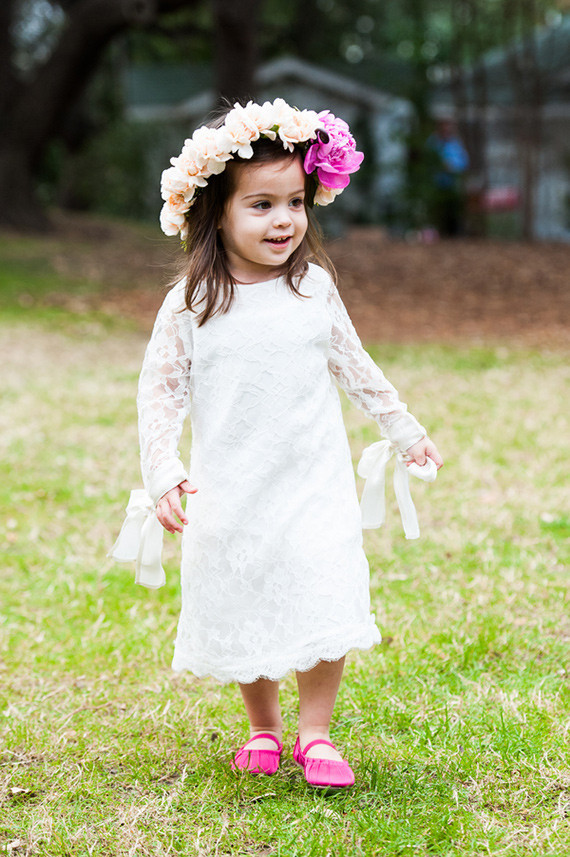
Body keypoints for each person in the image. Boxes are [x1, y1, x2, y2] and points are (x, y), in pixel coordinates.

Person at [112, 99, 443, 790]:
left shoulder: (312, 288)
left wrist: (403, 429)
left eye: (295, 201)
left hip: (311, 480)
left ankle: (315, 732)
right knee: (247, 590)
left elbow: (356, 366)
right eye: (261, 204)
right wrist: (163, 468)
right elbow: (161, 390)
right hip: (232, 482)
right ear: (217, 212)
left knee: (319, 585)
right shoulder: (192, 302)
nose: (285, 219)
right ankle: (262, 724)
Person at [426, 118, 469, 237]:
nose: (446, 131)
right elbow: (426, 161)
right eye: (444, 128)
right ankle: (436, 234)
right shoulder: (432, 143)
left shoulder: (455, 144)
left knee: (453, 213)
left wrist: (453, 166)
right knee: (438, 212)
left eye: (449, 128)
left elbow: (464, 162)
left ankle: (454, 235)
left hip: (452, 184)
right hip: (435, 185)